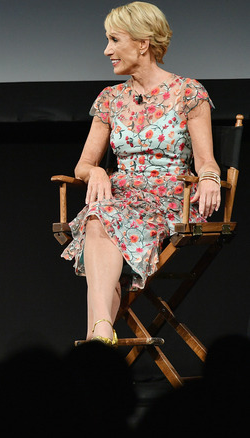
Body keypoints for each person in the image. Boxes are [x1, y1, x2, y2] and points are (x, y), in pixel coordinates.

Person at [61, 2, 221, 345]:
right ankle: (102, 331)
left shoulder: (188, 93)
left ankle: (96, 341)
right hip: (118, 198)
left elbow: (207, 161)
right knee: (99, 214)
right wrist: (98, 174)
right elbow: (83, 165)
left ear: (142, 43)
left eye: (114, 40)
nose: (106, 50)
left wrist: (209, 177)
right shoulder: (110, 99)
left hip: (166, 200)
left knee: (99, 217)